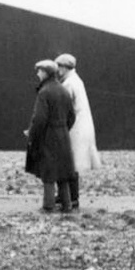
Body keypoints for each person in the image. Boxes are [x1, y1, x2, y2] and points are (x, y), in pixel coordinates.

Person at [25, 59, 77, 213]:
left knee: (48, 172)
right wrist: (63, 128)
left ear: (46, 73)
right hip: (63, 135)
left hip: (49, 136)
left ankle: (48, 206)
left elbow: (39, 119)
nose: (37, 73)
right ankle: (67, 205)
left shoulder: (44, 92)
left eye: (40, 71)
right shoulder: (63, 90)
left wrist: (32, 135)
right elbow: (72, 116)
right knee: (63, 172)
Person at [56, 52, 100, 210]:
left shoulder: (68, 84)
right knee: (73, 162)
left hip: (75, 128)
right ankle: (70, 196)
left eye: (59, 66)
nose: (57, 70)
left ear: (64, 67)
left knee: (69, 162)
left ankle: (70, 197)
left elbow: (64, 108)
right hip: (83, 126)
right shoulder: (77, 80)